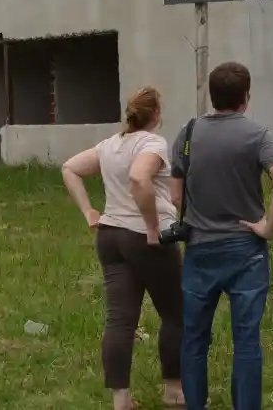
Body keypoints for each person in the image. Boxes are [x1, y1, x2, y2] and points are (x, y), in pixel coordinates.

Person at [169, 61, 273, 410]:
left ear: (212, 96)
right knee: (246, 341)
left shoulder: (189, 133)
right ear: (246, 97)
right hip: (247, 249)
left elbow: (174, 196)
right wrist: (268, 227)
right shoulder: (258, 134)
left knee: (194, 338)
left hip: (200, 248)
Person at [60, 86, 185, 410]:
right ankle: (173, 389)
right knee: (175, 314)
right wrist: (153, 228)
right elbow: (140, 179)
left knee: (120, 320)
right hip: (143, 238)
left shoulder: (110, 145)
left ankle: (121, 401)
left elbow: (69, 168)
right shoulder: (153, 143)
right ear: (156, 114)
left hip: (110, 236)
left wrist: (89, 211)